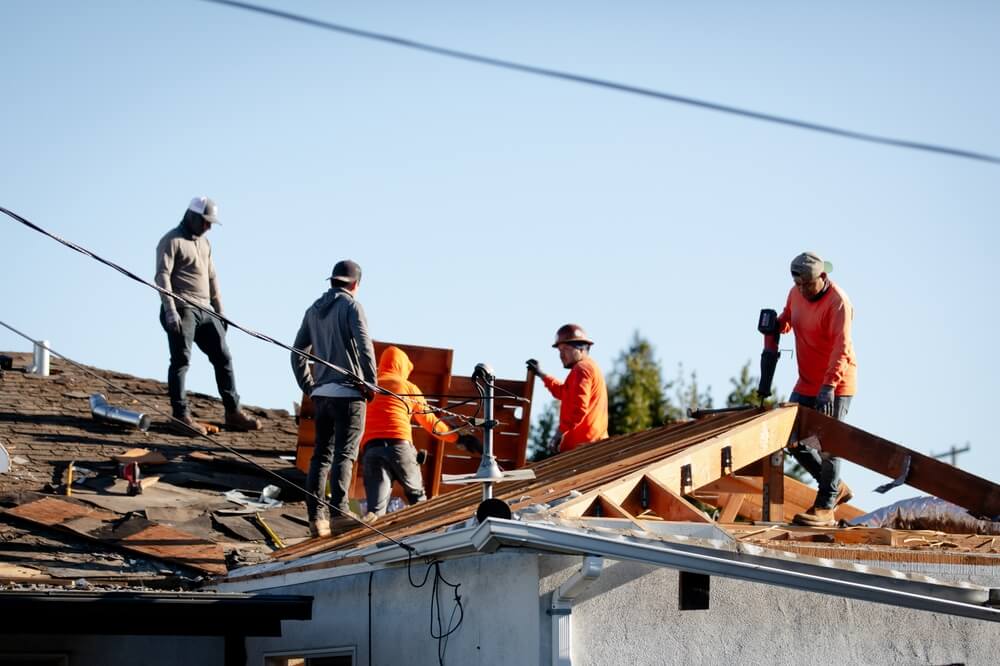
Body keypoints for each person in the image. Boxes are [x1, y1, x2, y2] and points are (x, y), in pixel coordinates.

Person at [154, 196, 261, 436]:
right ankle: (180, 415)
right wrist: (170, 310)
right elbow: (162, 276)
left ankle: (233, 412)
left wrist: (221, 312)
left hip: (205, 310)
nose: (208, 227)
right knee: (181, 360)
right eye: (205, 221)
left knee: (224, 357)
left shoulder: (205, 244)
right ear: (192, 217)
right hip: (182, 307)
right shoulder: (172, 240)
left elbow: (213, 278)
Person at [291, 260, 377, 538]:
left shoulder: (313, 310)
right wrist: (370, 384)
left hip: (323, 396)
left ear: (332, 281)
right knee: (344, 454)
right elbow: (364, 345)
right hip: (349, 395)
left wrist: (311, 387)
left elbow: (296, 353)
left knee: (321, 455)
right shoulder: (352, 306)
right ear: (355, 285)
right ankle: (340, 512)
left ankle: (317, 518)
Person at [778, 251, 858, 527]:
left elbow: (842, 348)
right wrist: (777, 325)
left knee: (829, 444)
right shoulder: (795, 293)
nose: (802, 290)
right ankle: (835, 488)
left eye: (807, 285)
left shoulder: (838, 303)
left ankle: (825, 508)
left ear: (822, 277)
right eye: (798, 284)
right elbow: (789, 317)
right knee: (789, 437)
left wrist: (829, 386)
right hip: (807, 381)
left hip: (835, 384)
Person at [359, 346, 480, 523]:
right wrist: (459, 438)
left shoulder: (369, 386)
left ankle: (371, 542)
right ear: (402, 367)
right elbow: (431, 423)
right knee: (418, 501)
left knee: (376, 512)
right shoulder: (408, 387)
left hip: (372, 451)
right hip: (400, 448)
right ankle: (426, 534)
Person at [526, 324, 608, 453]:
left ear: (580, 349)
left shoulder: (581, 369)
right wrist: (542, 374)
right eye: (559, 351)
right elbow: (563, 393)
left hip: (582, 448)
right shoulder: (589, 367)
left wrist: (559, 433)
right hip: (592, 445)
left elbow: (578, 409)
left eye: (565, 350)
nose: (561, 355)